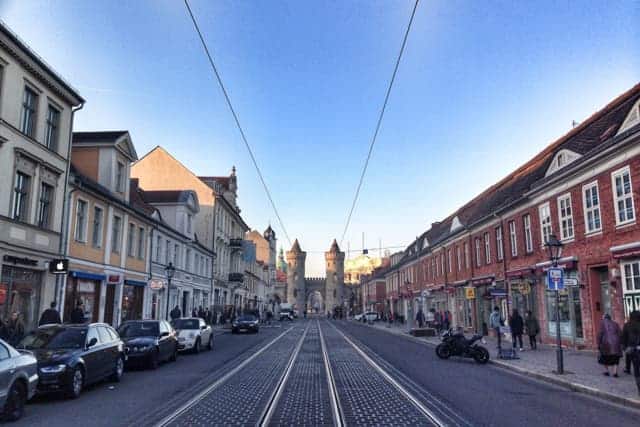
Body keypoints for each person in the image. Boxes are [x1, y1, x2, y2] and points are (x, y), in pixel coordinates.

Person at [621, 311, 640, 395]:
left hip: (633, 350)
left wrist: (625, 349)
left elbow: (623, 339)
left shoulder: (627, 325)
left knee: (637, 369)